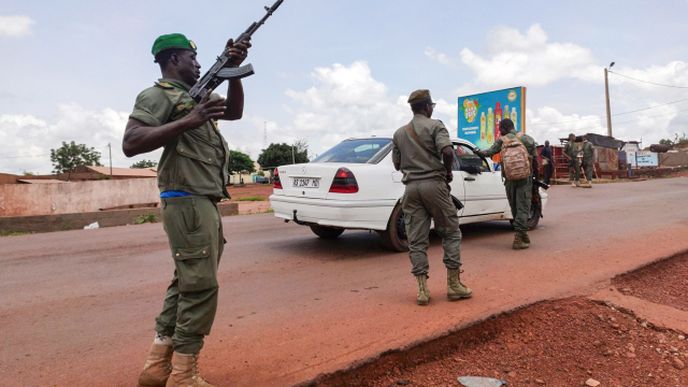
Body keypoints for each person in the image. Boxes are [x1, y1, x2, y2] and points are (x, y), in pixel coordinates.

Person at [122, 33, 250, 387]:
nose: (198, 64)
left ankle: (157, 367)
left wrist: (234, 70)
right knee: (201, 286)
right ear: (175, 60)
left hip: (201, 199)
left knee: (188, 281)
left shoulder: (194, 96)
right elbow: (131, 143)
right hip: (187, 199)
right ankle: (182, 376)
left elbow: (235, 112)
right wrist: (187, 121)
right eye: (193, 58)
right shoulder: (158, 95)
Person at [392, 89, 472, 306]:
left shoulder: (399, 133)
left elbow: (397, 164)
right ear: (427, 107)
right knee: (451, 232)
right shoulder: (436, 125)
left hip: (411, 189)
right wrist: (446, 172)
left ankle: (422, 290)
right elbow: (447, 152)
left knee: (416, 239)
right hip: (434, 186)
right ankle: (454, 285)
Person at [477, 118, 538, 249]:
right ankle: (519, 236)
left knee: (515, 207)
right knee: (523, 207)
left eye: (500, 128)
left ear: (504, 128)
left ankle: (521, 235)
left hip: (509, 178)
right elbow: (534, 157)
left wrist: (477, 151)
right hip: (525, 178)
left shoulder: (502, 140)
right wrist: (536, 177)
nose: (500, 131)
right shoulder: (526, 138)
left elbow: (488, 153)